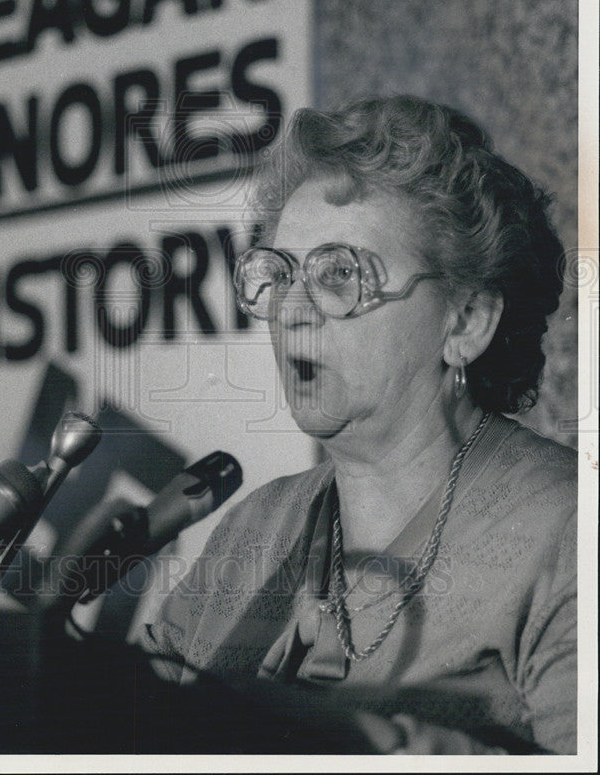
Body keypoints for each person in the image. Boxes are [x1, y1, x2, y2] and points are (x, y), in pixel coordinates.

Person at [138, 95, 576, 755]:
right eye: (279, 274)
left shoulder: (571, 531)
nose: (292, 311)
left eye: (341, 274)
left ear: (466, 322)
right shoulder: (253, 530)